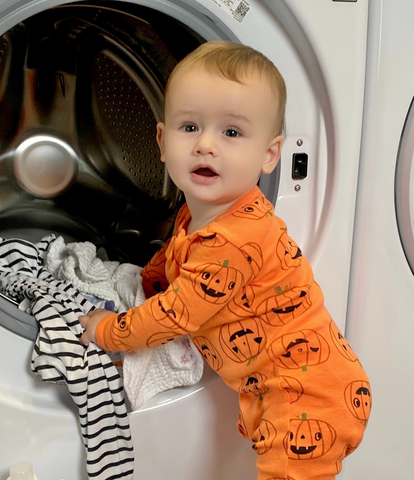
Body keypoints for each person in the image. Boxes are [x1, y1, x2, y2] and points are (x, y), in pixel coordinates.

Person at [79, 41, 371, 480]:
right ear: (161, 141)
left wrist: (107, 331)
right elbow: (176, 258)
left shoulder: (235, 240)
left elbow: (176, 315)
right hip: (290, 389)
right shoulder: (201, 213)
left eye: (231, 132)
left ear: (270, 155)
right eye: (190, 127)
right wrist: (151, 280)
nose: (207, 145)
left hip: (305, 399)